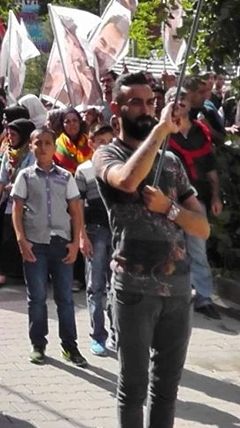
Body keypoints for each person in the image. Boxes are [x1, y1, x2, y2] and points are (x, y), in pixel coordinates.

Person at [93, 72, 211, 428]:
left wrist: (169, 209)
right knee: (133, 388)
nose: (145, 109)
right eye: (135, 102)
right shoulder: (106, 153)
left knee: (167, 390)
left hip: (178, 292)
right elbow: (127, 180)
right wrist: (161, 131)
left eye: (150, 102)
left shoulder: (172, 164)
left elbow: (202, 227)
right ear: (117, 108)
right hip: (133, 290)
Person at [12, 127, 87, 367]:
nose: (43, 147)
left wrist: (76, 242)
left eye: (47, 143)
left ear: (54, 147)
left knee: (65, 298)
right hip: (35, 244)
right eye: (38, 143)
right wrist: (21, 239)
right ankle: (38, 344)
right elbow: (16, 209)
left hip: (61, 244)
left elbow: (75, 211)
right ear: (31, 147)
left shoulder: (66, 177)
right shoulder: (25, 176)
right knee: (37, 297)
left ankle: (70, 346)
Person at [165, 88, 221, 319]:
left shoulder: (200, 132)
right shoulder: (163, 134)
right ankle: (174, 295)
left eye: (182, 99)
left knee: (198, 249)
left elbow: (211, 169)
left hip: (198, 199)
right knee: (172, 249)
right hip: (171, 200)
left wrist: (216, 196)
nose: (178, 103)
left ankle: (204, 297)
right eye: (172, 100)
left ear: (189, 104)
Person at [76, 124, 115, 356]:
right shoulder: (84, 170)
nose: (104, 146)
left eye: (108, 141)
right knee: (95, 287)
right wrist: (81, 236)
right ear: (91, 143)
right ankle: (98, 335)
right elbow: (77, 206)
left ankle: (117, 334)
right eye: (99, 141)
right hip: (95, 231)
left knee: (117, 287)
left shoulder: (119, 169)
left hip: (117, 233)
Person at [0, 119, 36, 289]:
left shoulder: (32, 155)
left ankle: (29, 274)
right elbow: (1, 178)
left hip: (30, 204)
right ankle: (3, 273)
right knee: (8, 238)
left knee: (29, 238)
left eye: (14, 134)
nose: (10, 138)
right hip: (11, 203)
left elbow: (32, 177)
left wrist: (15, 186)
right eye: (8, 134)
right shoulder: (8, 153)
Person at [54, 109, 92, 174]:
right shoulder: (56, 146)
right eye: (67, 122)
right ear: (62, 124)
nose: (72, 124)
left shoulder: (90, 142)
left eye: (75, 120)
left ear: (80, 122)